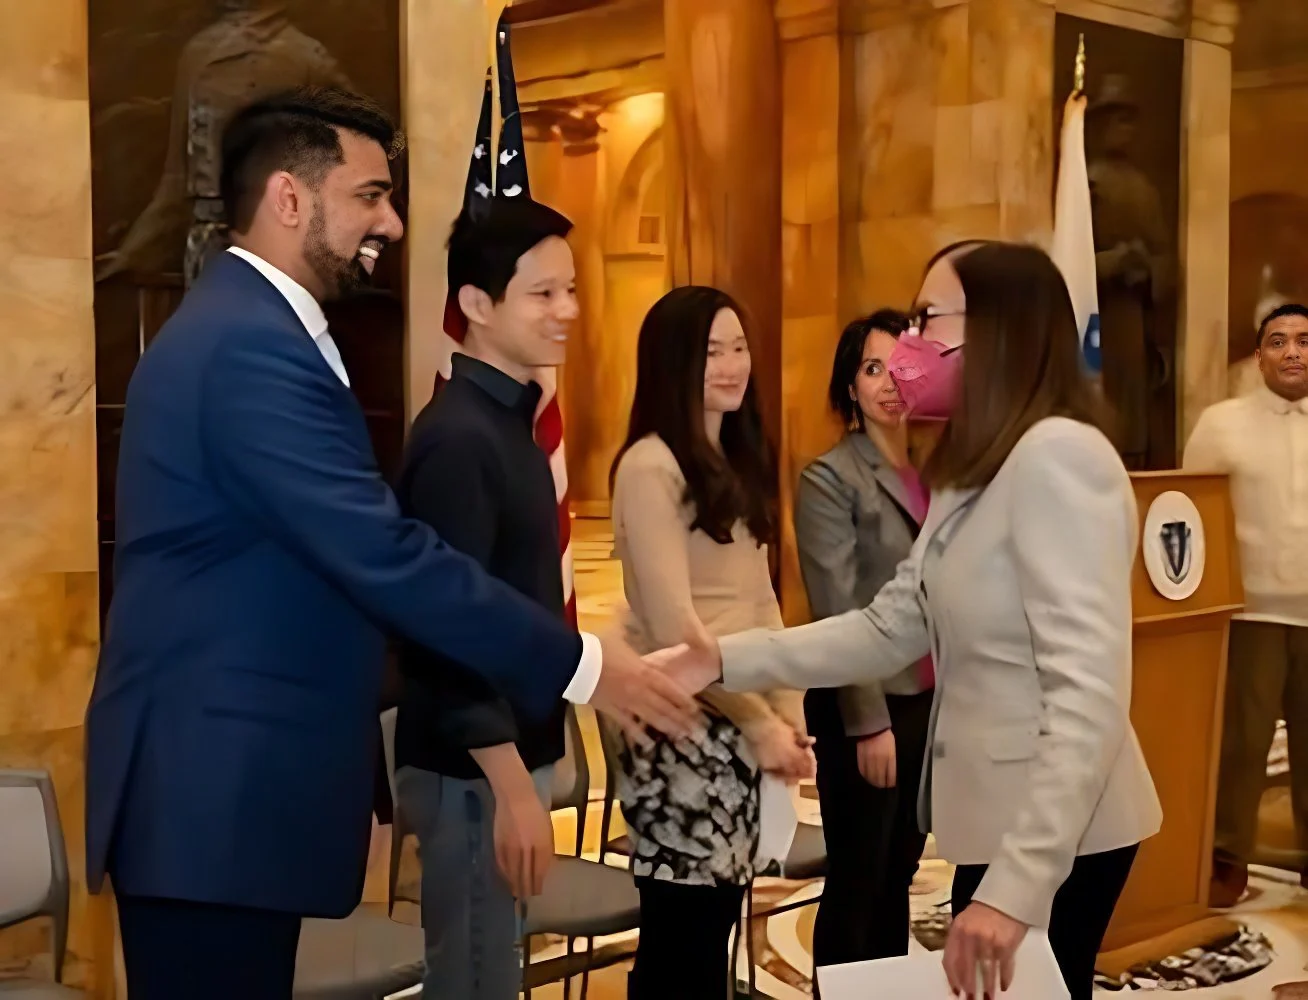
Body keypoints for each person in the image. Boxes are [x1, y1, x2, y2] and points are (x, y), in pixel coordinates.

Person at [84, 87, 697, 1000]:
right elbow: (386, 554)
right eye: (370, 195)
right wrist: (581, 664)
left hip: (234, 799)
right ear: (290, 198)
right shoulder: (246, 345)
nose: (394, 221)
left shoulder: (257, 330)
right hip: (211, 800)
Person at [655, 242, 1163, 1000]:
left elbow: (1088, 693)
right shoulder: (975, 466)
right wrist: (722, 660)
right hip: (1003, 822)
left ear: (997, 329)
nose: (912, 345)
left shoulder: (1058, 456)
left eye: (930, 318)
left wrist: (1013, 889)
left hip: (1056, 832)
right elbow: (888, 625)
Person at [391, 198, 581, 999]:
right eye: (543, 293)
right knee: (473, 983)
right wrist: (510, 786)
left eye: (571, 290)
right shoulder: (459, 437)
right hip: (473, 773)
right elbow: (443, 630)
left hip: (507, 762)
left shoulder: (511, 423)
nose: (567, 311)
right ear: (475, 304)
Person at [609, 287, 814, 1000]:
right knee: (682, 944)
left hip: (742, 720)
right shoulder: (650, 466)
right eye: (711, 353)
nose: (732, 366)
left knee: (717, 928)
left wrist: (790, 713)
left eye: (739, 348)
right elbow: (673, 631)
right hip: (682, 723)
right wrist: (757, 721)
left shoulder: (737, 459)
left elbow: (761, 602)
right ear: (673, 364)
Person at [794, 308, 935, 969]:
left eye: (899, 366)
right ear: (850, 386)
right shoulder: (828, 479)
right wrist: (869, 722)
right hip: (867, 704)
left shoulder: (936, 469)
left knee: (899, 876)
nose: (887, 382)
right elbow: (839, 611)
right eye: (871, 368)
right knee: (858, 880)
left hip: (929, 700)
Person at [1183, 302, 1308, 907]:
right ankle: (1226, 858)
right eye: (1278, 341)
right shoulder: (1222, 423)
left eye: (1305, 341)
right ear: (1257, 356)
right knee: (1241, 745)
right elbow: (1187, 516)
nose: (1293, 351)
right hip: (1251, 610)